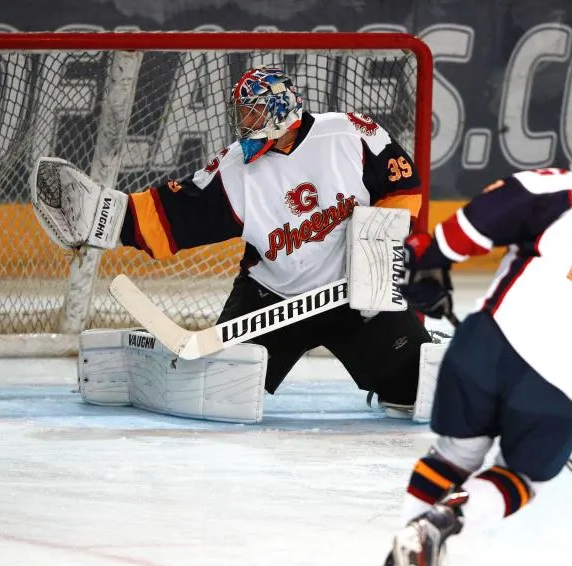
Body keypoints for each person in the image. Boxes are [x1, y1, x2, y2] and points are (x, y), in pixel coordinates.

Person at [372, 121, 572, 566]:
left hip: (493, 343)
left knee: (454, 456)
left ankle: (405, 548)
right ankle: (441, 524)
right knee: (522, 477)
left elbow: (489, 213)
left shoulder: (565, 185)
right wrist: (560, 392)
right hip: (564, 386)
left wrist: (434, 257)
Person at [115, 66, 432, 409]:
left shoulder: (349, 134)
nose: (246, 121)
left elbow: (403, 186)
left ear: (280, 107)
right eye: (242, 112)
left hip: (353, 300)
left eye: (254, 110)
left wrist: (376, 271)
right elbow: (177, 213)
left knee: (415, 389)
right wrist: (113, 218)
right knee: (218, 396)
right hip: (271, 300)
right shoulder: (236, 167)